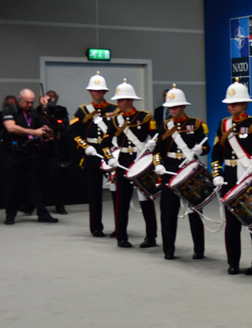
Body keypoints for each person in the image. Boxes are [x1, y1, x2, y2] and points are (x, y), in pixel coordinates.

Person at [211, 81, 252, 275]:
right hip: (229, 177)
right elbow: (216, 153)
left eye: (237, 102)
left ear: (245, 104)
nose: (232, 106)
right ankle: (233, 262)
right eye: (230, 103)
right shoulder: (224, 125)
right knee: (232, 225)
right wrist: (216, 173)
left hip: (249, 177)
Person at [152, 85, 209, 260]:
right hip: (169, 169)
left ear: (183, 106)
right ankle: (168, 249)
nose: (172, 110)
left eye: (175, 107)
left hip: (190, 170)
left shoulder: (197, 124)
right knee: (168, 212)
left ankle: (199, 249)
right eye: (169, 107)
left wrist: (201, 149)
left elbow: (206, 147)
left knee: (195, 211)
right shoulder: (164, 126)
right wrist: (158, 165)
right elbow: (157, 151)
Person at [100, 80, 158, 249]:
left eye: (122, 99)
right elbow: (105, 143)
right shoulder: (115, 120)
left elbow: (157, 136)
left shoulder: (144, 117)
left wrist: (152, 144)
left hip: (140, 159)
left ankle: (151, 236)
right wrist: (109, 157)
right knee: (122, 200)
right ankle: (121, 236)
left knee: (145, 199)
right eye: (118, 99)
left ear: (131, 100)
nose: (118, 102)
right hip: (123, 161)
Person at [70, 73, 119, 237]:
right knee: (94, 192)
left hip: (110, 152)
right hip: (92, 154)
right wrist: (85, 147)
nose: (98, 93)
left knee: (116, 191)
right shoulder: (83, 111)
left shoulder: (114, 110)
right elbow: (74, 133)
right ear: (90, 91)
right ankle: (96, 226)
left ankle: (120, 227)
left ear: (105, 92)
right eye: (94, 90)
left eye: (100, 91)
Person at [1, 89, 57, 225]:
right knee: (13, 184)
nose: (29, 105)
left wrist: (48, 131)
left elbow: (43, 127)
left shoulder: (33, 112)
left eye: (32, 102)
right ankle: (10, 214)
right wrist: (34, 132)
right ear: (20, 99)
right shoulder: (10, 110)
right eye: (27, 102)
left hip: (30, 152)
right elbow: (11, 128)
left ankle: (42, 213)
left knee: (35, 184)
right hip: (13, 153)